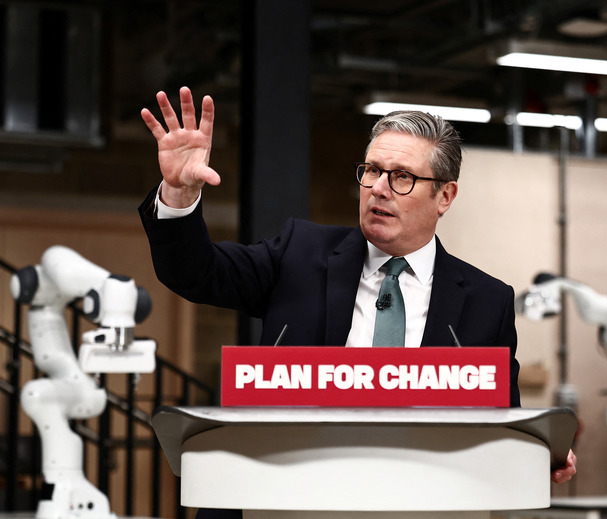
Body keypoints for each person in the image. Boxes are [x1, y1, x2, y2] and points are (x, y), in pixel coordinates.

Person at [138, 86, 576, 483]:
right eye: (372, 171)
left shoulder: (487, 301)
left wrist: (541, 452)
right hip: (280, 490)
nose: (379, 189)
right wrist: (178, 195)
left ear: (445, 196)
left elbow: (507, 422)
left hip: (419, 499)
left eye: (401, 177)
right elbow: (195, 272)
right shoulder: (299, 254)